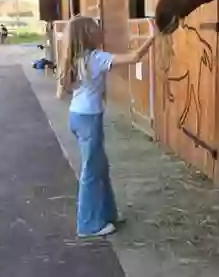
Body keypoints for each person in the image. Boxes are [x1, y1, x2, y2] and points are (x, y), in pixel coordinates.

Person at [56, 15, 157, 238]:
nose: (101, 30)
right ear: (88, 34)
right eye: (96, 28)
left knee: (100, 168)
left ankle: (107, 214)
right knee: (91, 172)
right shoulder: (95, 58)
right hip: (89, 120)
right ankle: (88, 225)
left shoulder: (75, 58)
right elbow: (135, 57)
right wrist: (152, 36)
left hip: (77, 116)